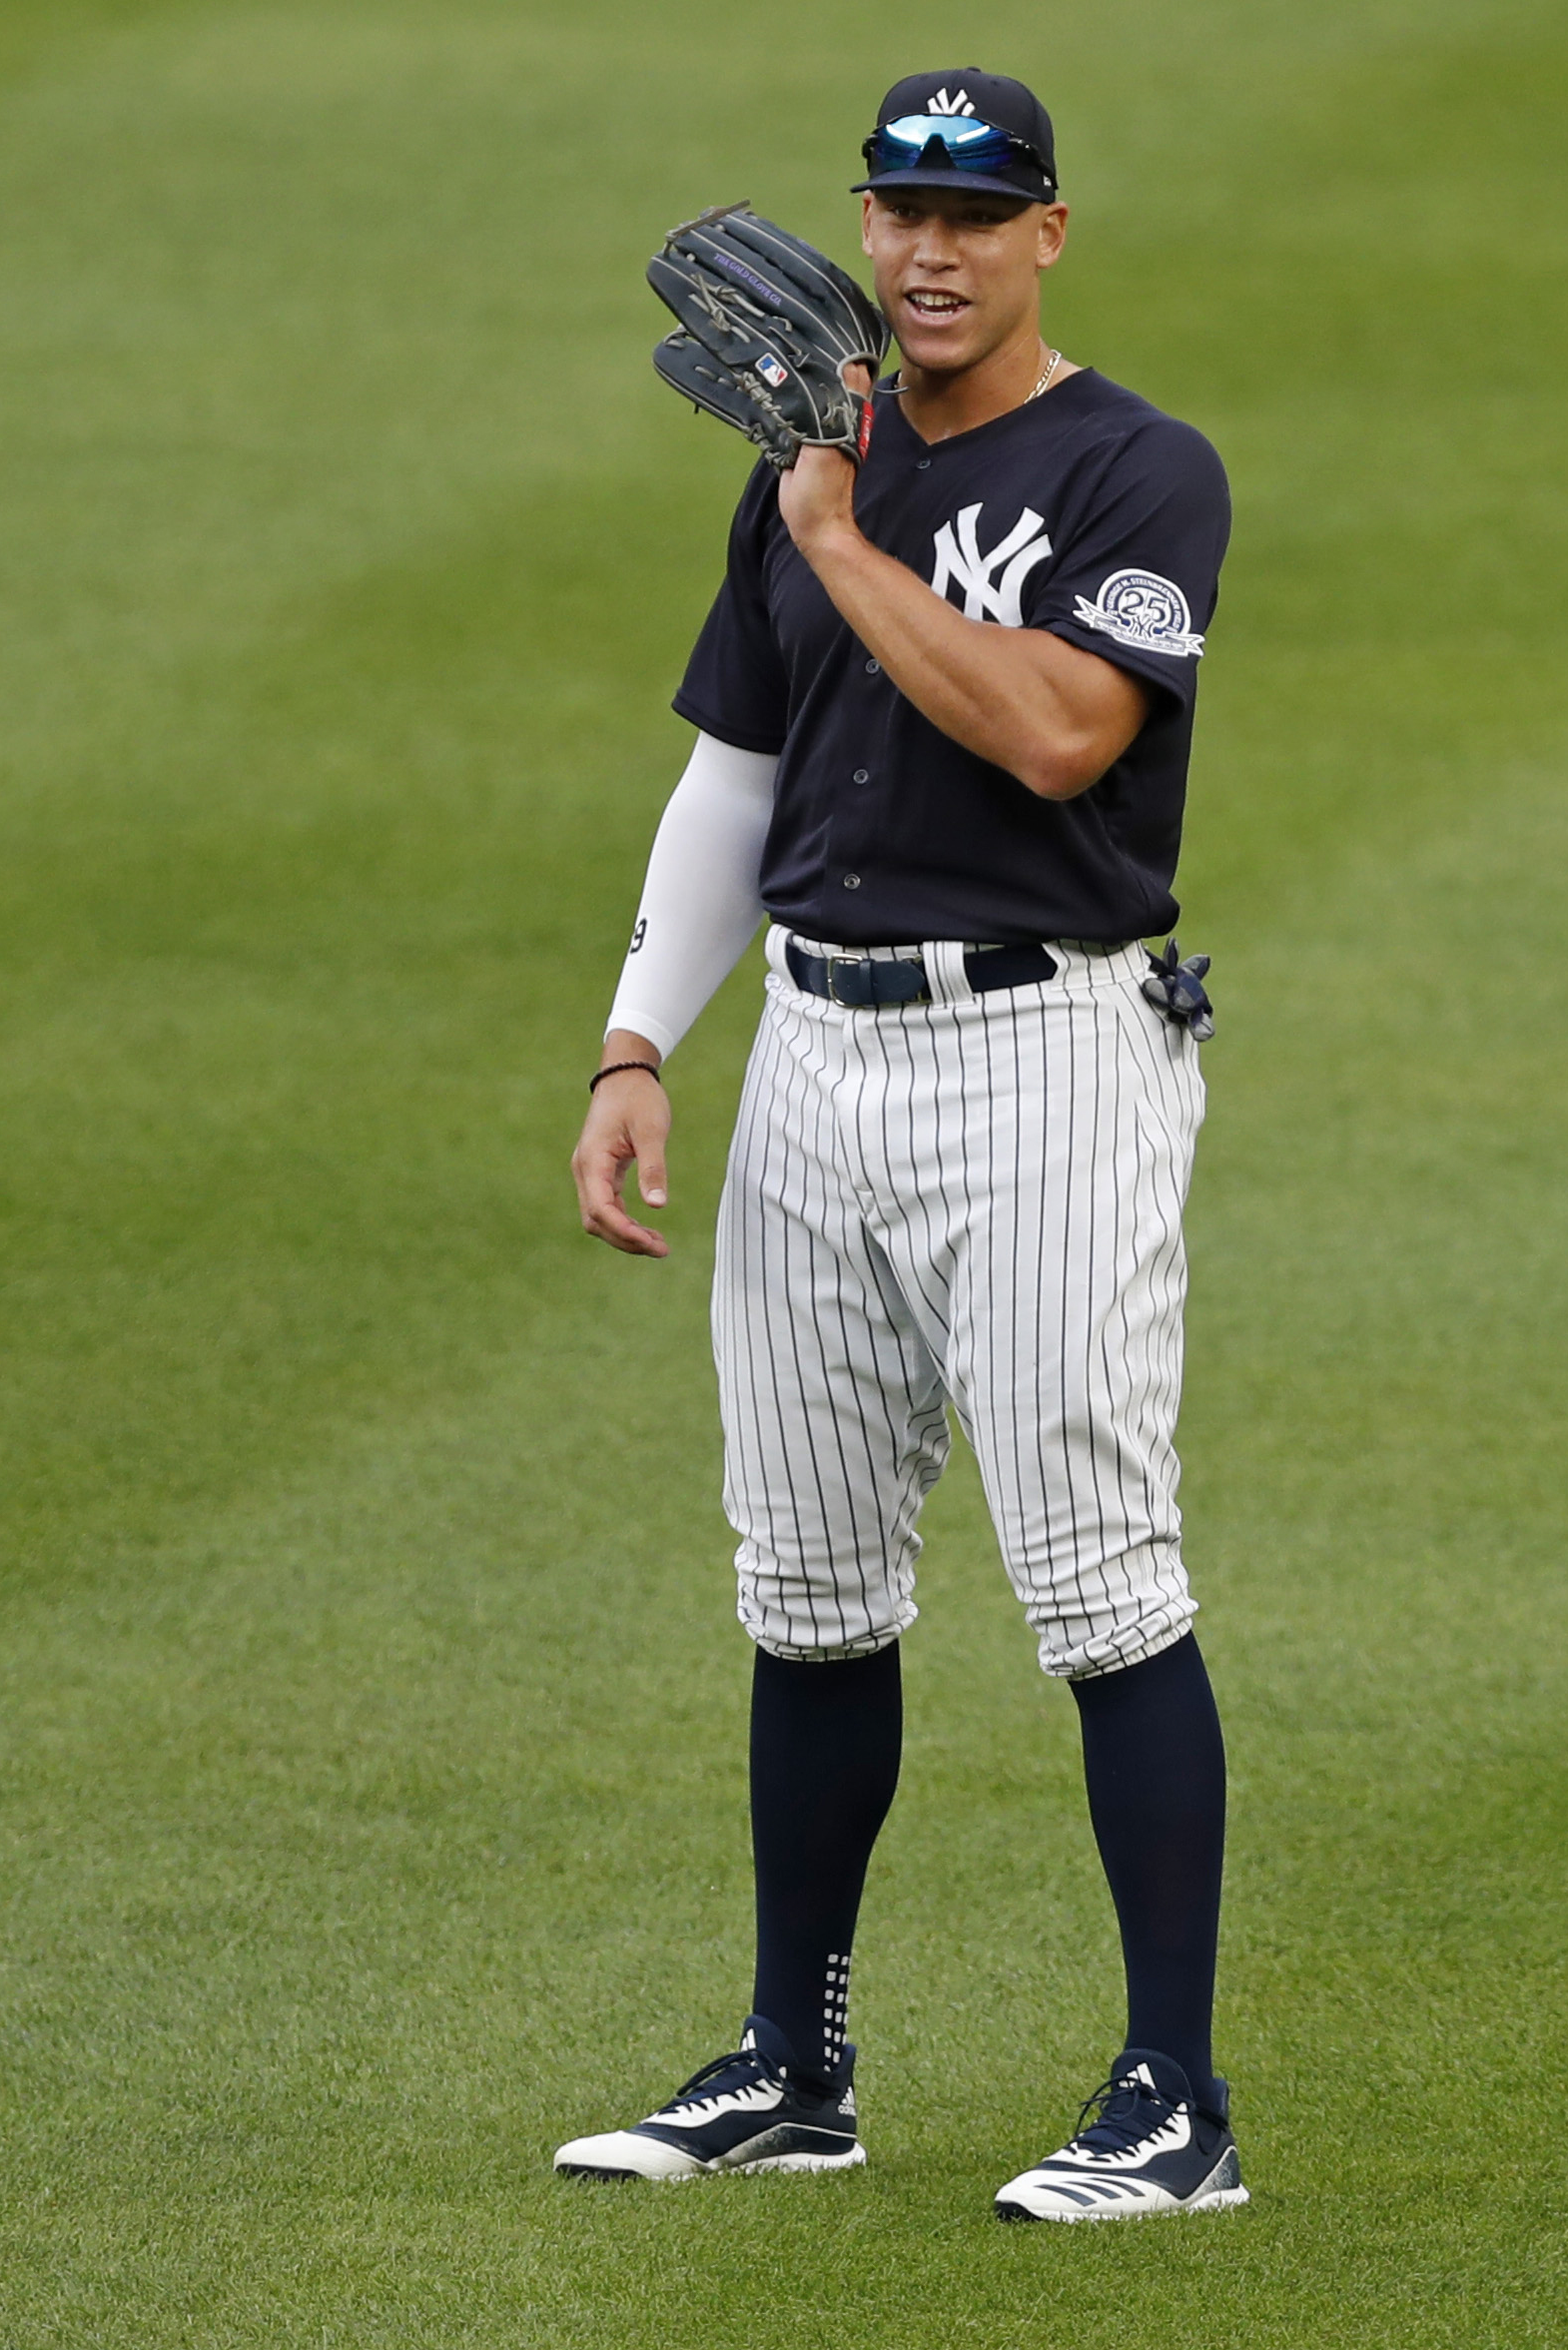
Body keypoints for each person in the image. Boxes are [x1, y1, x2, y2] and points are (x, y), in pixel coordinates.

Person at [553, 67, 1244, 2223]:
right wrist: (637, 1042)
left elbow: (1058, 735)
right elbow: (733, 773)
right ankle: (795, 2059)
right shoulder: (803, 473)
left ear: (1050, 234)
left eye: (977, 213)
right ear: (865, 225)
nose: (929, 253)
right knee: (809, 1587)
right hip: (820, 1072)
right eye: (899, 211)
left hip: (1042, 1059)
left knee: (1100, 1583)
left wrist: (842, 540)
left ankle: (1172, 2099)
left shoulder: (1137, 471)